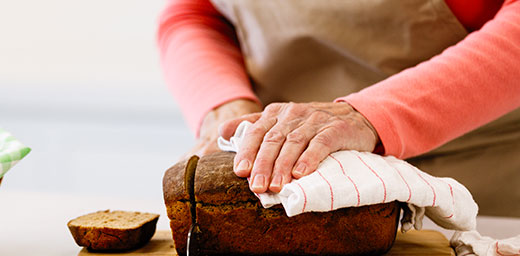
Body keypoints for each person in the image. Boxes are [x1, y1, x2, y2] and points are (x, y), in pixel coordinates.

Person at [157, 0, 520, 217]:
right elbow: (197, 13)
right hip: (293, 192)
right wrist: (225, 109)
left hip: (480, 191)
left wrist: (369, 115)